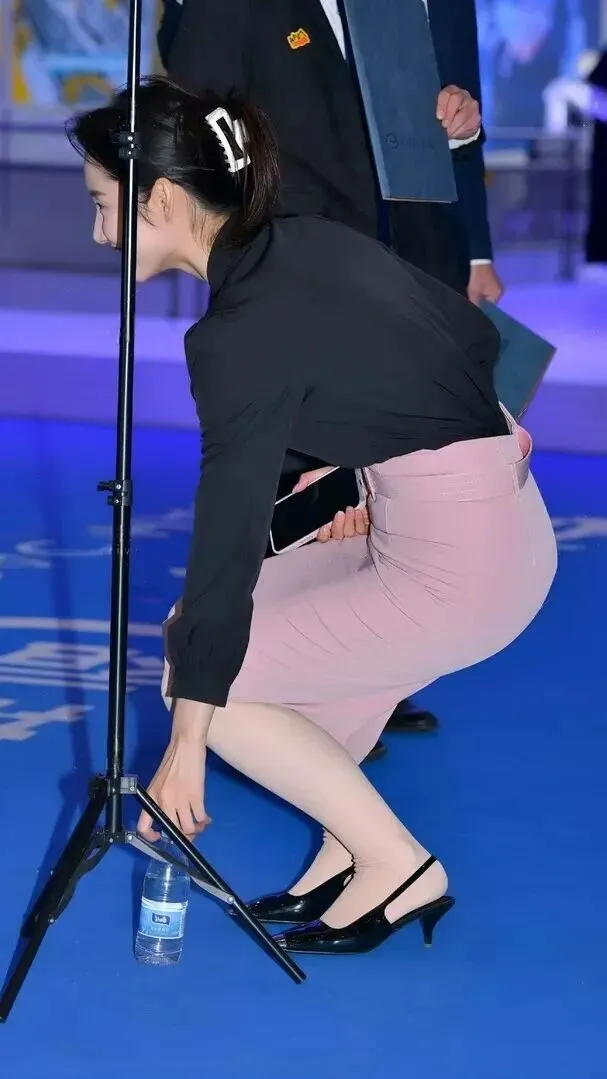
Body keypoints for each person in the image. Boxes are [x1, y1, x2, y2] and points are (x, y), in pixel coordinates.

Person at [69, 77, 557, 955]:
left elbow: (227, 539)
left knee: (205, 676)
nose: (100, 233)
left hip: (454, 569)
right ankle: (345, 851)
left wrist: (186, 742)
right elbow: (476, 340)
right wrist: (368, 469)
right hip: (497, 529)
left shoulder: (234, 333)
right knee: (206, 634)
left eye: (105, 205)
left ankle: (397, 864)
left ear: (164, 199)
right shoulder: (307, 242)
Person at [159, 0, 504, 750]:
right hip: (298, 279)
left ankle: (379, 672)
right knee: (303, 482)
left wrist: (460, 129)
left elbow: (434, 126)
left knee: (396, 479)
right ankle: (294, 687)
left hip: (411, 268)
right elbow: (197, 132)